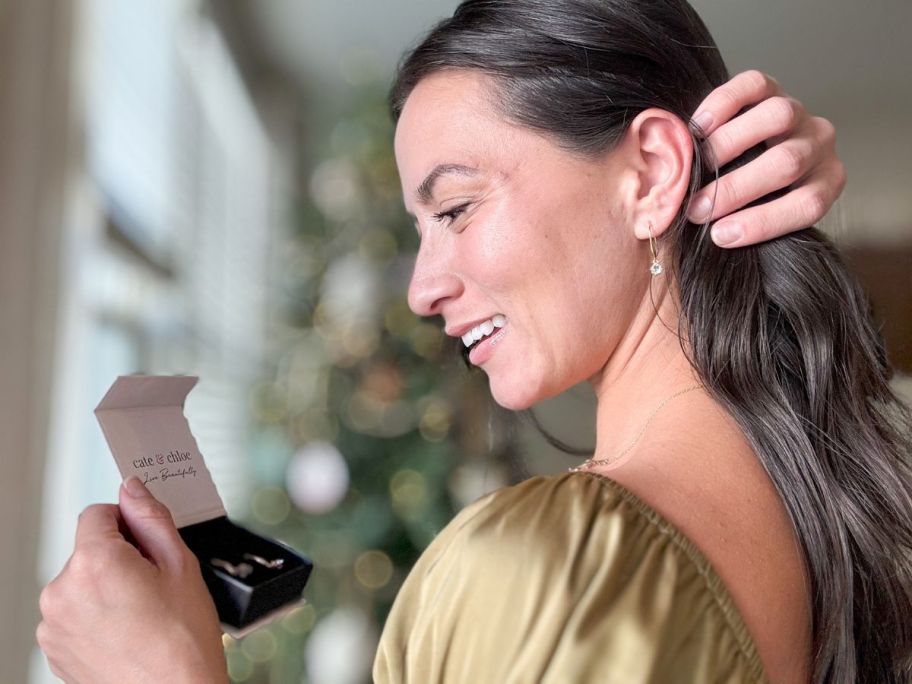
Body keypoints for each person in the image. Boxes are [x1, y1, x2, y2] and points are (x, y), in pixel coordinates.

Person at [36, 2, 894, 683]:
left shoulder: (560, 567)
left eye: (455, 209)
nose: (421, 287)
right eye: (420, 229)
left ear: (654, 173)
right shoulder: (812, 516)